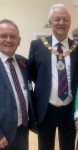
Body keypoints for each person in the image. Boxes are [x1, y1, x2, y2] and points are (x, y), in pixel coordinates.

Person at [28, 4, 78, 150]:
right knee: (45, 147)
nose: (61, 23)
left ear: (70, 22)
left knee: (68, 148)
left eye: (65, 19)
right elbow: (31, 74)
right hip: (45, 109)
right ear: (50, 22)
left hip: (70, 109)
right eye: (57, 19)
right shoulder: (37, 46)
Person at [0, 19, 35, 150]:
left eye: (13, 36)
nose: (8, 40)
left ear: (19, 41)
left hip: (23, 129)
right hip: (3, 134)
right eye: (3, 36)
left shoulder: (23, 62)